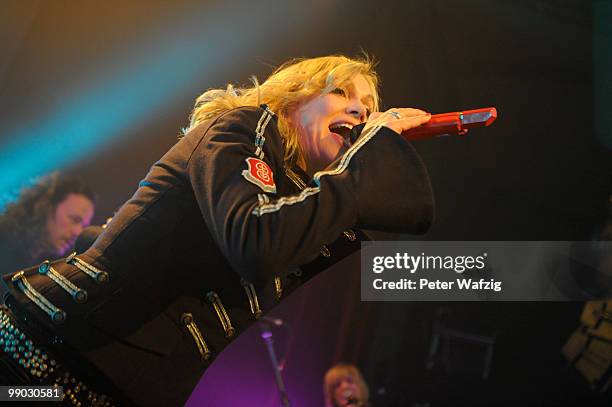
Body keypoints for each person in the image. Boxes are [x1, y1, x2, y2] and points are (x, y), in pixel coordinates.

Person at [1, 55, 434, 406]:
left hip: (122, 390)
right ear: (293, 99)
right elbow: (258, 245)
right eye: (340, 92)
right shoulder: (238, 130)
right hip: (39, 361)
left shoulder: (310, 209)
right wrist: (361, 168)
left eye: (370, 108)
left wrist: (375, 158)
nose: (360, 110)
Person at [0, 172, 96, 279]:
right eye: (74, 219)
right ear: (45, 208)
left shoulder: (50, 267)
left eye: (83, 226)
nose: (78, 233)